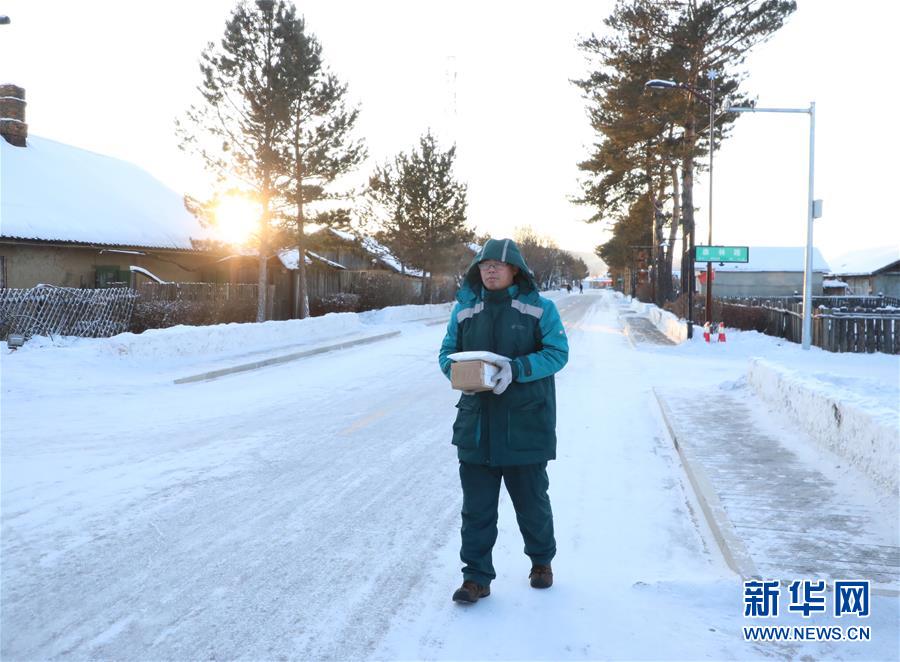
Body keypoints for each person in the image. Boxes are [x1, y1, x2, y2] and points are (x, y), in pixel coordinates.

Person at [439, 238, 569, 604]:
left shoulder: (540, 310)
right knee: (476, 510)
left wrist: (517, 368)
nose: (490, 270)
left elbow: (558, 354)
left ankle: (541, 562)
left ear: (516, 270)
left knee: (532, 505)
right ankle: (476, 578)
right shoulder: (465, 311)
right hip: (476, 427)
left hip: (525, 425)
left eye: (498, 264)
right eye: (484, 265)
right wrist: (461, 371)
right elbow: (447, 353)